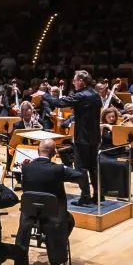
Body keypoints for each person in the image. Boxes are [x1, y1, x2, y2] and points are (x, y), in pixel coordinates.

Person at [16, 139, 81, 265]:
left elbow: (23, 186)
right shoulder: (58, 169)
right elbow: (78, 175)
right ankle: (55, 253)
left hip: (30, 213)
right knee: (70, 220)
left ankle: (20, 256)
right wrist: (64, 166)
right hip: (53, 214)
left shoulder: (26, 167)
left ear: (37, 150)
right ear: (53, 153)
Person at [53, 70, 102, 206]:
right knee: (93, 167)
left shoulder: (81, 95)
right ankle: (99, 195)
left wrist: (46, 96)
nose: (74, 83)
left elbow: (59, 104)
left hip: (82, 138)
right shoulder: (96, 94)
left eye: (75, 80)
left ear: (81, 81)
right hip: (95, 137)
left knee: (80, 167)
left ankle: (85, 196)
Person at [98, 107, 130, 199]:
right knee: (101, 163)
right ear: (104, 117)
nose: (112, 119)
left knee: (123, 165)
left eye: (113, 117)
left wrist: (108, 126)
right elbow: (99, 141)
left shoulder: (119, 126)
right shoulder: (101, 127)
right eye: (109, 117)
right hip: (105, 152)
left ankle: (122, 192)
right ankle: (104, 190)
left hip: (119, 152)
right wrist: (100, 129)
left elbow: (120, 137)